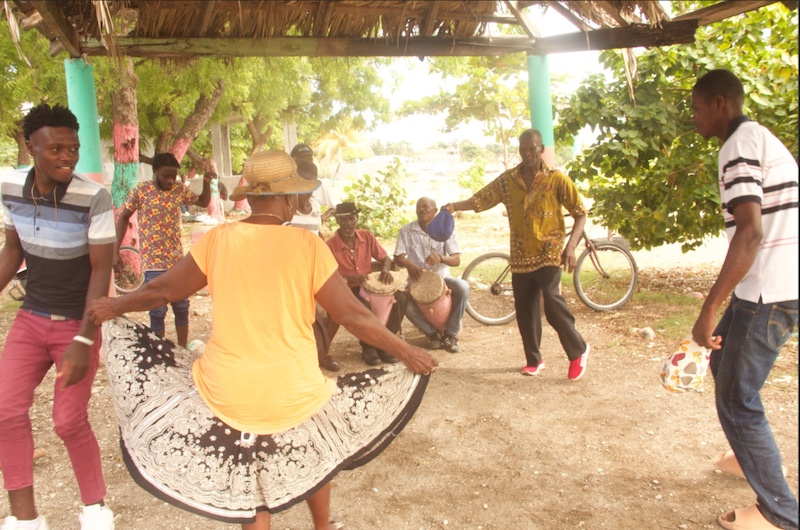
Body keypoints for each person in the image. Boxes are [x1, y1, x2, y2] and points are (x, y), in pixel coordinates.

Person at [88, 149, 437, 530]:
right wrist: (406, 350)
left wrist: (115, 304)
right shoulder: (308, 246)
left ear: (251, 195)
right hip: (295, 388)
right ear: (287, 199)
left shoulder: (217, 240)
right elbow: (350, 315)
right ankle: (324, 525)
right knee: (317, 446)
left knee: (249, 469)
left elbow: (162, 291)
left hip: (228, 391)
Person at [689, 69, 798, 530]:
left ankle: (780, 513)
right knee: (724, 369)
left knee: (737, 397)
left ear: (719, 104)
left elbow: (750, 234)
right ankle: (749, 453)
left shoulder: (737, 146)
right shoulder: (759, 139)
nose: (692, 118)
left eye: (695, 108)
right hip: (773, 284)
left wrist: (709, 306)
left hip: (767, 291)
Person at [0, 103, 116, 530]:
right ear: (31, 147)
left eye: (73, 148)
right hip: (30, 319)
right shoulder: (10, 188)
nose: (67, 156)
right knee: (6, 412)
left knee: (68, 421)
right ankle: (25, 518)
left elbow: (102, 269)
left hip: (75, 323)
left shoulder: (94, 196)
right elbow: (13, 252)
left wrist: (86, 339)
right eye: (56, 148)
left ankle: (95, 508)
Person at [444, 129, 590, 380]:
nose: (528, 153)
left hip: (549, 250)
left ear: (541, 149)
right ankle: (534, 359)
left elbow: (580, 212)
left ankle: (578, 350)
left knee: (552, 301)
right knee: (524, 308)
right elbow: (482, 199)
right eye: (523, 149)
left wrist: (571, 247)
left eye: (532, 148)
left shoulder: (557, 179)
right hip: (521, 254)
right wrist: (455, 206)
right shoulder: (508, 180)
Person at [113, 152, 213, 348]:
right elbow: (124, 217)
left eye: (173, 176)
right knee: (157, 309)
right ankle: (159, 350)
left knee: (181, 306)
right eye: (165, 176)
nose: (170, 180)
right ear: (155, 171)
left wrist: (207, 182)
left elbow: (202, 202)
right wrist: (114, 251)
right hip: (153, 262)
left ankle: (182, 349)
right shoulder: (142, 191)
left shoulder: (178, 190)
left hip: (176, 261)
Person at [326, 202, 403, 366]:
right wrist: (353, 278)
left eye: (352, 218)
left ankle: (385, 344)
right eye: (344, 220)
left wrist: (385, 270)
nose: (349, 223)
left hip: (369, 287)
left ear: (357, 219)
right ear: (338, 222)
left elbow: (385, 259)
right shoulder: (330, 245)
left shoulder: (366, 236)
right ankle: (369, 347)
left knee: (400, 299)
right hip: (348, 290)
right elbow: (330, 275)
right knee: (363, 306)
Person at [394, 197, 469, 354]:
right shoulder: (406, 230)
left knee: (463, 287)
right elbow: (398, 257)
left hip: (442, 278)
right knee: (404, 304)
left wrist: (441, 258)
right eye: (419, 207)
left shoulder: (444, 229)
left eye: (426, 207)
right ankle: (432, 335)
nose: (422, 210)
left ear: (435, 211)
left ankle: (451, 334)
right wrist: (408, 264)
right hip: (417, 281)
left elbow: (456, 260)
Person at [289, 159, 340, 372]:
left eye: (311, 187)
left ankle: (322, 351)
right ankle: (314, 356)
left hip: (315, 267)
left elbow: (315, 233)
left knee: (335, 310)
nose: (308, 193)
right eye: (303, 187)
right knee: (306, 317)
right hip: (294, 271)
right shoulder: (288, 209)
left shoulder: (316, 206)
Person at [291, 143, 337, 223]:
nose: (307, 162)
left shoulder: (319, 184)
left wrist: (319, 219)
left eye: (310, 159)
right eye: (302, 159)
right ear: (292, 161)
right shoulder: (285, 185)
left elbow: (334, 207)